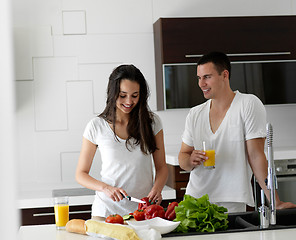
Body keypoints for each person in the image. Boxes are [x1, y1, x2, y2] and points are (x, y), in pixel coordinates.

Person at [178, 52, 296, 213]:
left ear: (224, 75)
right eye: (199, 78)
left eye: (207, 77)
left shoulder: (248, 104)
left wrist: (275, 202)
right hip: (194, 200)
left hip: (231, 201)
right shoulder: (194, 114)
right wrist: (190, 159)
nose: (201, 83)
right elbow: (183, 159)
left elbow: (256, 155)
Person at [76, 64, 168, 219]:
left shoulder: (152, 123)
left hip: (143, 212)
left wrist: (157, 189)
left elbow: (162, 168)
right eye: (123, 95)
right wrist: (106, 188)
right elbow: (80, 174)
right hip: (106, 211)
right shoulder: (96, 126)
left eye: (135, 95)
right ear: (113, 93)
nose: (129, 101)